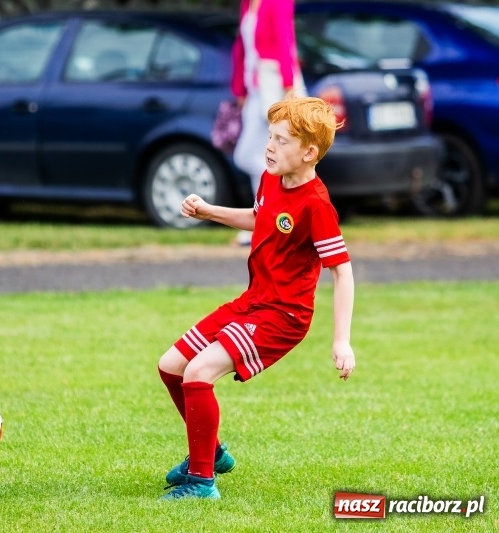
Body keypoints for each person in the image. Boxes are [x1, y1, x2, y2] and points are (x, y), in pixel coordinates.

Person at [157, 94, 355, 500]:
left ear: (309, 152)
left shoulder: (317, 205)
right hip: (253, 301)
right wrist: (209, 211)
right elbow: (260, 217)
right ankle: (210, 454)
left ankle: (201, 481)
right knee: (171, 366)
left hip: (283, 316)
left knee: (198, 372)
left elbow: (342, 271)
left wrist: (341, 340)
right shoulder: (271, 178)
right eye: (270, 136)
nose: (269, 146)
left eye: (281, 140)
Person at [232, 0, 305, 246]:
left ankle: (276, 217)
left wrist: (288, 87)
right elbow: (243, 47)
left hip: (274, 88)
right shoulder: (247, 4)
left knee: (264, 156)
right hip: (256, 89)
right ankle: (266, 218)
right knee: (255, 156)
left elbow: (285, 41)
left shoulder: (278, 2)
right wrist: (240, 89)